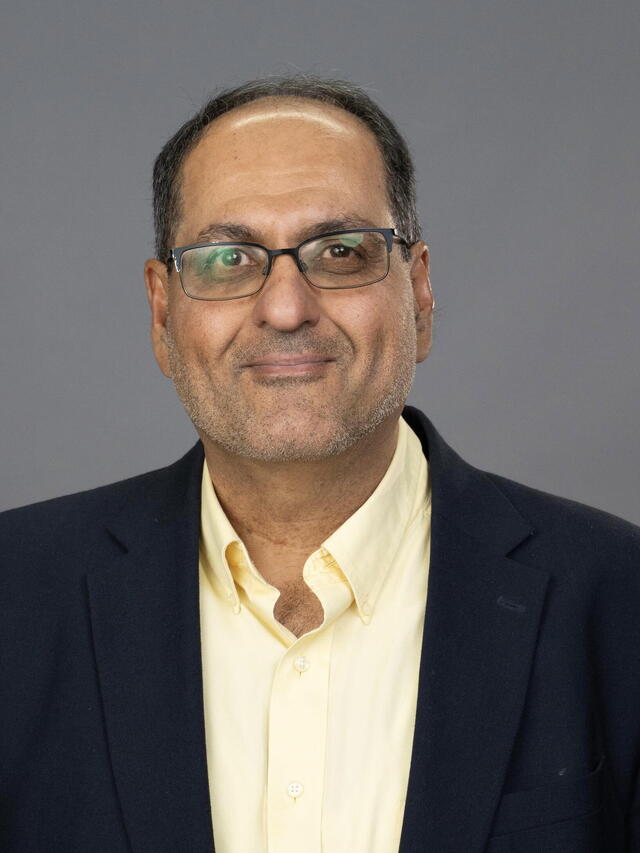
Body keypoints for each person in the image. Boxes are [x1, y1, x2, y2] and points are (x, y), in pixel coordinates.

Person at [1, 75, 638, 853]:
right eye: (228, 257)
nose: (286, 306)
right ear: (163, 313)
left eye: (340, 251)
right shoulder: (14, 600)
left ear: (421, 293)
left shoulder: (619, 600)